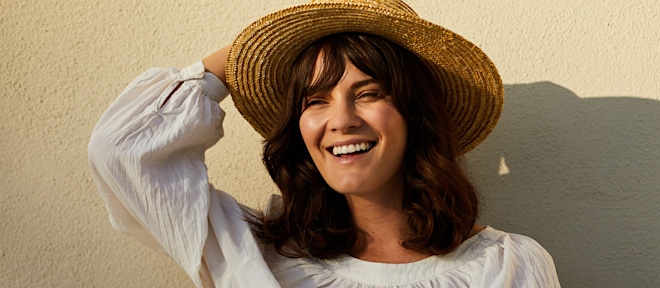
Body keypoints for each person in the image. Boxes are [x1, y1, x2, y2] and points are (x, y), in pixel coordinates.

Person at [88, 0, 559, 287]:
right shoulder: (252, 253)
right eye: (316, 100)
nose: (341, 120)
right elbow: (121, 150)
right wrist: (255, 48)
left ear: (415, 116)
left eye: (368, 93)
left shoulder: (504, 267)